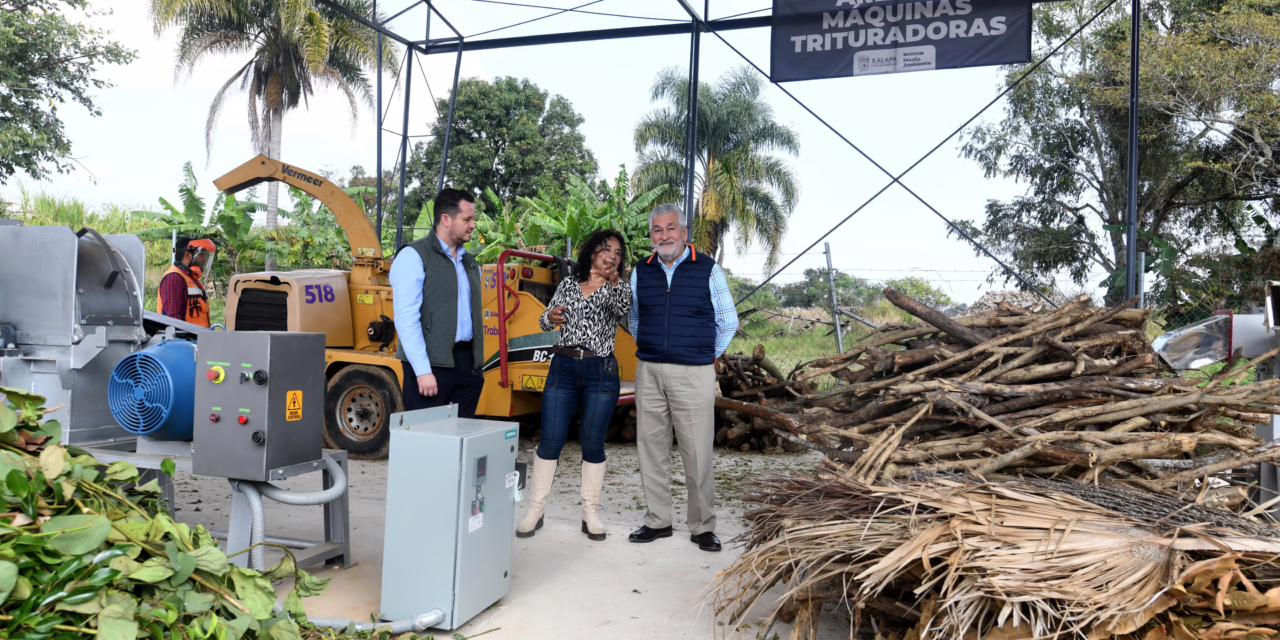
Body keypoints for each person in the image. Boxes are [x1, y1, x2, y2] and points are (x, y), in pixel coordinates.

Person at [627, 204, 738, 553]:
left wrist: (707, 354)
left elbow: (728, 321)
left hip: (694, 372)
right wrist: (650, 346)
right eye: (657, 230)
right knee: (651, 448)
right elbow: (634, 319)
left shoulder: (708, 269)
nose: (664, 236)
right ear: (651, 236)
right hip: (649, 371)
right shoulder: (640, 272)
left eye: (671, 228)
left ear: (684, 233)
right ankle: (657, 520)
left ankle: (702, 526)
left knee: (697, 451)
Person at [517, 230, 632, 542]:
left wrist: (616, 281)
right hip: (563, 367)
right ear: (592, 251)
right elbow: (544, 321)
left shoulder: (617, 289)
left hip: (600, 371)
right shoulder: (568, 283)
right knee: (550, 440)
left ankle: (590, 515)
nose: (611, 255)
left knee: (592, 442)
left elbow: (624, 310)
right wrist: (550, 316)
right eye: (605, 249)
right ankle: (535, 512)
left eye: (618, 253)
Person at [391, 188, 485, 418]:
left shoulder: (471, 263)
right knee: (426, 442)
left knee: (458, 443)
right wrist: (422, 371)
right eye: (467, 219)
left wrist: (476, 370)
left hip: (467, 366)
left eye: (473, 219)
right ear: (446, 219)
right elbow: (406, 318)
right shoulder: (413, 256)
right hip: (431, 366)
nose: (473, 225)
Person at [157, 237, 217, 328]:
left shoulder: (191, 278)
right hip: (187, 340)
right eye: (201, 254)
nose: (205, 259)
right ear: (188, 255)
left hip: (198, 338)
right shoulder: (174, 278)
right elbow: (174, 321)